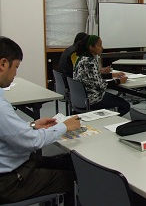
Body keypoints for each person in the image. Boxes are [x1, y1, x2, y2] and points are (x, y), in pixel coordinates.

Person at [0, 36, 81, 205]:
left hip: (16, 165)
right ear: (3, 64)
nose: (16, 73)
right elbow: (32, 142)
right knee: (77, 177)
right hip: (9, 182)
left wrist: (32, 124)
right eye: (16, 67)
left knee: (68, 162)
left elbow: (7, 130)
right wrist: (64, 127)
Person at [73, 34, 130, 117]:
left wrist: (112, 75)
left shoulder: (81, 58)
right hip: (93, 98)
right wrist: (119, 81)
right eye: (99, 45)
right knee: (125, 106)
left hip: (81, 97)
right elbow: (101, 86)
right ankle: (107, 121)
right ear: (91, 47)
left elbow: (94, 77)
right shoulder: (90, 62)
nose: (102, 47)